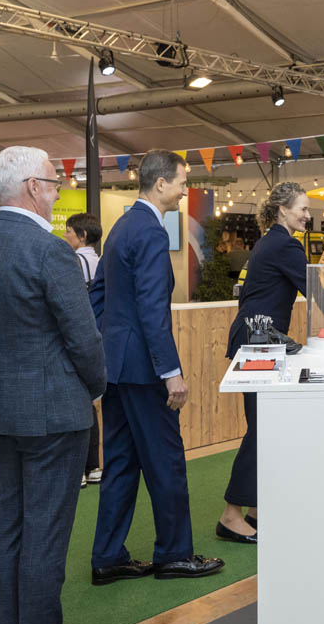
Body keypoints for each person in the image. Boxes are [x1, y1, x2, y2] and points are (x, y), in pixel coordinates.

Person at [0, 147, 107, 624]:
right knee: (45, 531)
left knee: (7, 526)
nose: (59, 189)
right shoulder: (49, 250)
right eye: (54, 180)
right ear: (32, 187)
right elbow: (83, 338)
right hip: (55, 410)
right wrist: (95, 387)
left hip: (0, 406)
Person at [90, 150, 225, 582]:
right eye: (182, 181)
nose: (186, 189)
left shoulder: (121, 227)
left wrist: (106, 351)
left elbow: (97, 298)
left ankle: (108, 557)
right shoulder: (149, 231)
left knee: (120, 464)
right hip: (145, 370)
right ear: (161, 183)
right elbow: (152, 310)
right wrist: (171, 373)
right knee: (166, 461)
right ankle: (174, 554)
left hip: (117, 368)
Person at [218, 182, 308, 542]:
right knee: (262, 428)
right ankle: (231, 515)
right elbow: (315, 290)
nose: (307, 215)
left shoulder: (270, 241)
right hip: (259, 344)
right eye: (302, 208)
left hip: (258, 341)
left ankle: (255, 509)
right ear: (283, 210)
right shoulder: (286, 244)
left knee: (265, 425)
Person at [63, 212, 103, 487]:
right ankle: (93, 465)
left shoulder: (76, 261)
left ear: (82, 235)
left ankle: (78, 468)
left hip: (78, 337)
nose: (65, 236)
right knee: (89, 402)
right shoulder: (101, 262)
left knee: (77, 402)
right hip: (97, 336)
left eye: (68, 231)